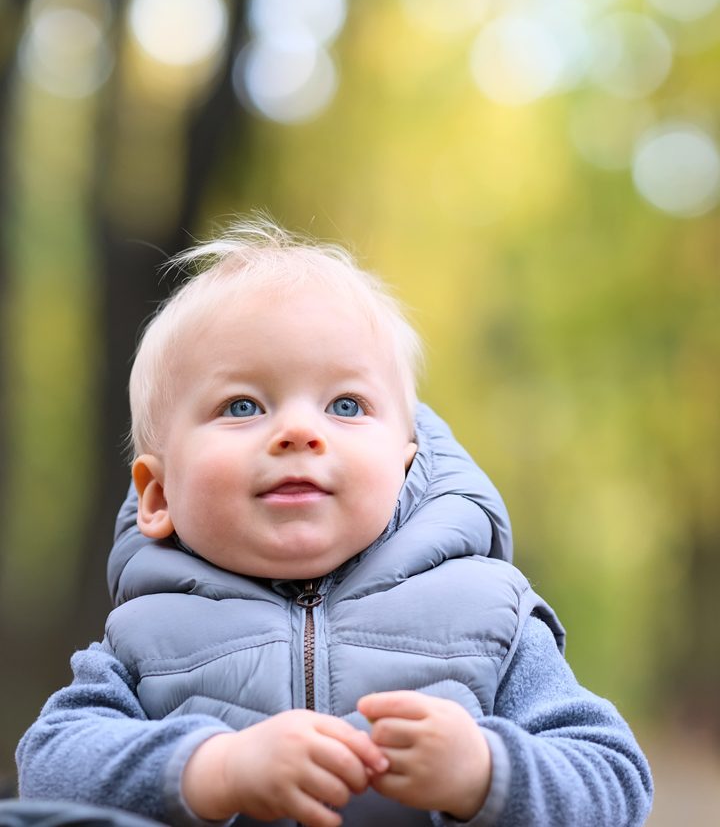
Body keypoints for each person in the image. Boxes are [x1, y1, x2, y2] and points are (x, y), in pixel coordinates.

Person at [16, 218, 653, 827]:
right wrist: (212, 769)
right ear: (157, 495)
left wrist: (484, 772)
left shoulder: (492, 616)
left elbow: (616, 780)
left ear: (407, 469)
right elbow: (49, 767)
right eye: (243, 405)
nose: (299, 431)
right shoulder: (143, 640)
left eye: (345, 405)